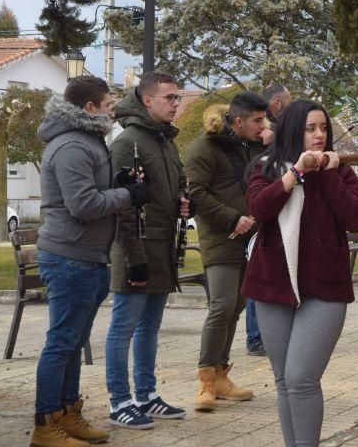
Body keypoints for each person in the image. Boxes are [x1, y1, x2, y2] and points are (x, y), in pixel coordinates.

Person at [241, 99, 358, 446]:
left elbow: (356, 219)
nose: (319, 135)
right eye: (310, 128)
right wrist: (294, 173)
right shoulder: (265, 166)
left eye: (323, 128)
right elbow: (259, 208)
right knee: (284, 380)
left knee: (301, 378)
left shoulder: (339, 170)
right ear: (293, 131)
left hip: (324, 288)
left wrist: (327, 174)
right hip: (272, 285)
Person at [31, 76, 150, 447]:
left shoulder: (87, 139)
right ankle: (45, 424)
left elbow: (91, 189)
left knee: (74, 340)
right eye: (109, 103)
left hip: (87, 256)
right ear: (90, 109)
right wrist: (127, 195)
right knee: (62, 342)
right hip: (70, 256)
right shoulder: (71, 145)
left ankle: (68, 413)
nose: (113, 108)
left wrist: (117, 180)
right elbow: (82, 205)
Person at [105, 72, 191, 428]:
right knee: (123, 327)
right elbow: (122, 207)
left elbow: (178, 186)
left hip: (161, 248)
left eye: (177, 97)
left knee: (150, 327)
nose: (176, 103)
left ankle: (146, 394)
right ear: (147, 101)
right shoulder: (127, 143)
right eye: (169, 97)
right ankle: (119, 400)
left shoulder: (166, 141)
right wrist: (134, 260)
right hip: (135, 250)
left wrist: (186, 202)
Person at [184, 91, 267, 411]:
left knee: (237, 306)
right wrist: (234, 218)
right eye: (257, 121)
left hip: (250, 238)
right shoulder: (204, 148)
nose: (263, 126)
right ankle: (205, 380)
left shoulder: (255, 145)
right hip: (220, 237)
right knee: (221, 305)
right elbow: (195, 194)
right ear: (238, 122)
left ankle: (220, 373)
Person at [246, 83, 292, 356]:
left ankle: (262, 334)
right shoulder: (267, 134)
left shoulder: (270, 132)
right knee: (258, 274)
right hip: (256, 211)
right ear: (277, 104)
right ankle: (256, 336)